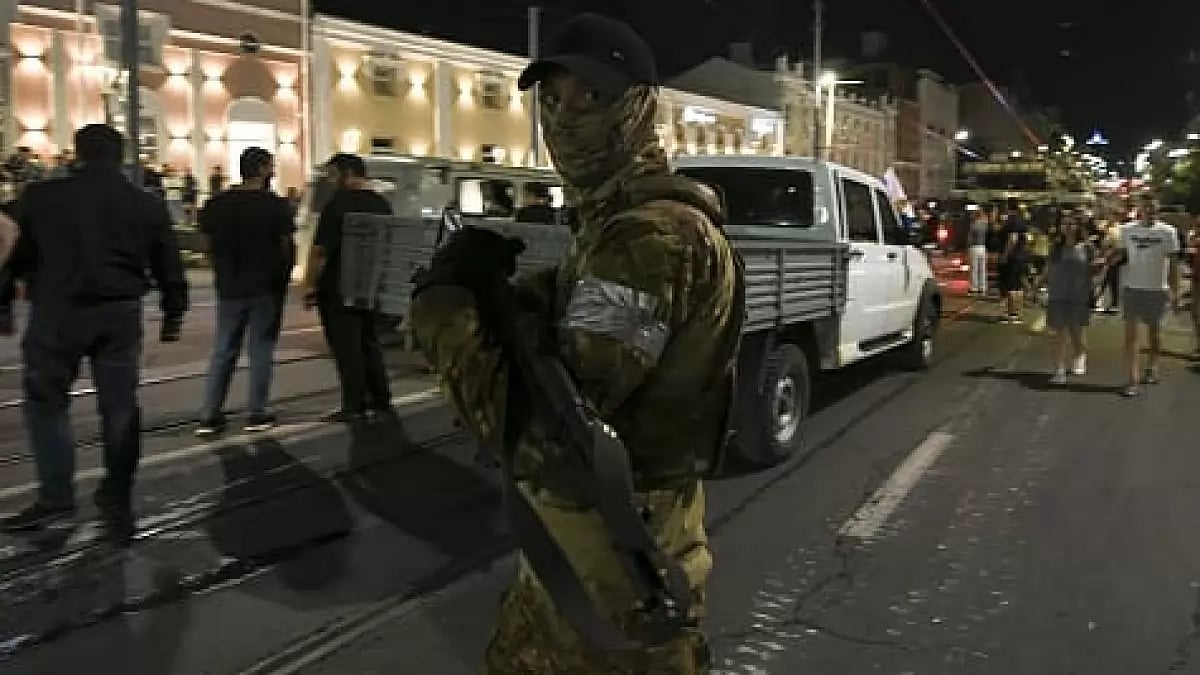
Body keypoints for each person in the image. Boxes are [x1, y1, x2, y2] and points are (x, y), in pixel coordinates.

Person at [409, 13, 741, 673]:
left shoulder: (649, 240)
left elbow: (547, 434)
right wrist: (513, 296)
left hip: (617, 566)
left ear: (640, 107)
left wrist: (445, 315)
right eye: (552, 99)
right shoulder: (613, 225)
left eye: (591, 97)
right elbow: (566, 345)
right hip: (586, 550)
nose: (566, 117)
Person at [0, 124, 188, 541]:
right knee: (120, 408)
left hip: (57, 312)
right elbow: (168, 263)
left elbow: (9, 244)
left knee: (46, 405)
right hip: (120, 314)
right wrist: (174, 312)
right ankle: (117, 501)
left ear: (77, 155)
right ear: (121, 156)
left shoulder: (42, 198)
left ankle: (56, 500)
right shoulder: (145, 204)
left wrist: (4, 303)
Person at [194, 148, 295, 436]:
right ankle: (257, 412)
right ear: (263, 169)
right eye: (271, 166)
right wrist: (283, 276)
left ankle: (209, 414)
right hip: (265, 287)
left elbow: (205, 244)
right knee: (261, 349)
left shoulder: (216, 204)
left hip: (229, 287)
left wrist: (221, 268)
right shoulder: (275, 206)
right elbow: (286, 246)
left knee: (224, 350)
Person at [302, 153, 393, 423]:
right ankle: (381, 398)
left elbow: (320, 251)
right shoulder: (381, 204)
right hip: (371, 286)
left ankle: (353, 405)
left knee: (346, 347)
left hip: (339, 287)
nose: (330, 181)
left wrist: (309, 285)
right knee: (369, 342)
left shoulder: (337, 205)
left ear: (349, 173)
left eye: (333, 175)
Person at [1114, 194, 1180, 397]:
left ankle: (1152, 365)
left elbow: (1174, 263)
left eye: (1153, 208)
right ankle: (1132, 379)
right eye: (1146, 207)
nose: (1150, 211)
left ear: (1157, 210)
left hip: (1157, 288)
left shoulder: (1168, 232)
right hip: (1132, 287)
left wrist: (1174, 290)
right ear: (1139, 209)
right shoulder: (1127, 230)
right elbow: (1121, 255)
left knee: (1154, 333)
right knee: (1131, 336)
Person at [1046, 213, 1094, 385]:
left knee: (1076, 331)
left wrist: (1091, 290)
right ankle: (1059, 369)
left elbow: (1093, 270)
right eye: (1064, 223)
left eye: (1071, 223)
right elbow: (1049, 269)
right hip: (1057, 293)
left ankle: (1080, 354)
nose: (1067, 227)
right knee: (1058, 333)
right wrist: (1039, 287)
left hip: (1078, 295)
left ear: (1078, 227)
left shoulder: (1087, 247)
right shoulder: (1056, 248)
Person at [997, 200, 1029, 323]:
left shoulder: (1011, 222)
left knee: (1010, 285)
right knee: (1017, 285)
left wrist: (1005, 255)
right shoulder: (1022, 222)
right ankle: (1016, 313)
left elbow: (1012, 239)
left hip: (1012, 258)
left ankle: (1010, 313)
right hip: (1021, 256)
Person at [967, 208, 990, 296]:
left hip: (974, 247)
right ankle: (983, 287)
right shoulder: (985, 225)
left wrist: (967, 246)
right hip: (983, 247)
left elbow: (970, 238)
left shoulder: (973, 225)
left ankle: (974, 287)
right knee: (982, 268)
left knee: (974, 268)